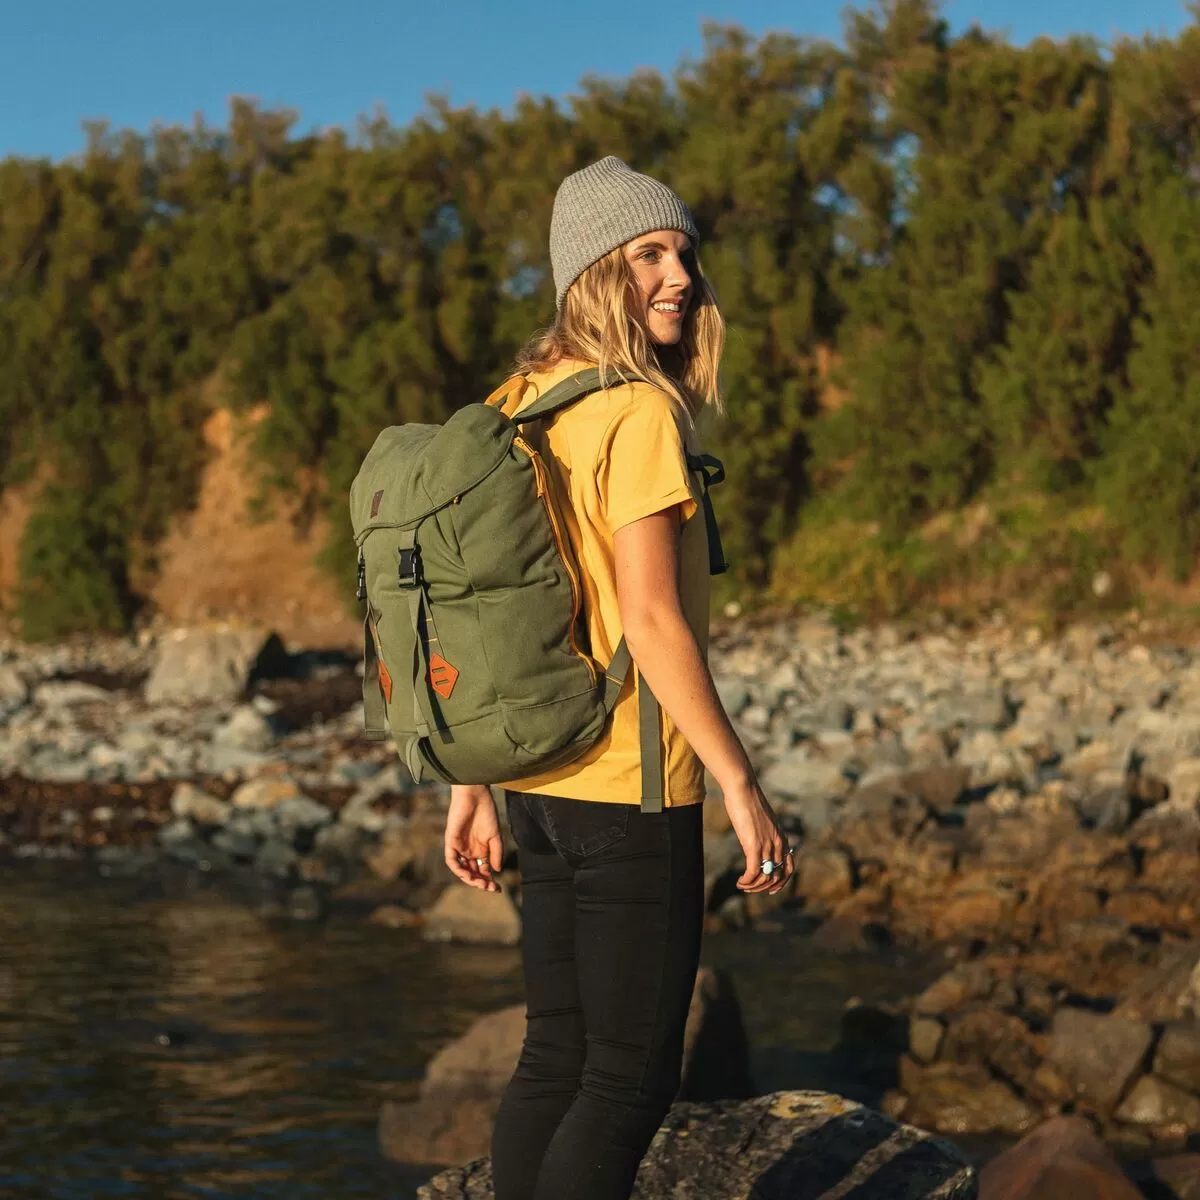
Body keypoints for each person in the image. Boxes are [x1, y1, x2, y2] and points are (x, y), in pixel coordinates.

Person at [440, 156, 793, 1200]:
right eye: (648, 254)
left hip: (532, 781)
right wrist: (739, 784)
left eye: (683, 251)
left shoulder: (516, 402)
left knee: (556, 1056)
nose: (680, 274)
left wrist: (469, 784)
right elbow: (649, 618)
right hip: (627, 788)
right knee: (632, 1076)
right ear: (595, 271)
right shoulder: (637, 413)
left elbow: (479, 608)